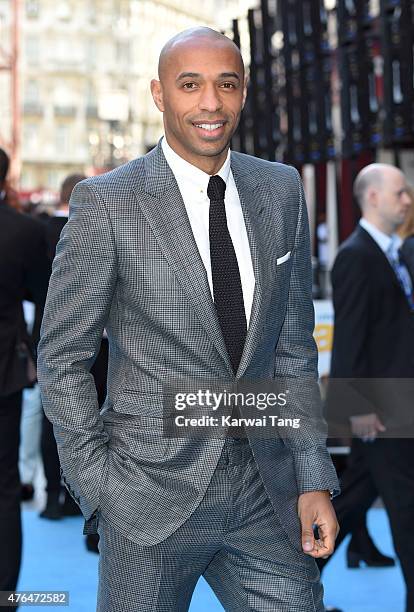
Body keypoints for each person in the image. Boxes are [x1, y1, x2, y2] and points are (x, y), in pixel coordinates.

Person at [37, 28, 339, 611]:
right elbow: (63, 356)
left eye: (226, 85)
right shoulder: (110, 201)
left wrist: (312, 475)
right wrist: (99, 485)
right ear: (159, 94)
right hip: (146, 496)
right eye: (190, 85)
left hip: (265, 492)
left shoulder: (279, 190)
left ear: (243, 93)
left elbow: (293, 347)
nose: (210, 103)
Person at [326, 163, 414, 612]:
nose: (407, 199)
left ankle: (286, 588)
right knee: (407, 517)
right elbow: (350, 338)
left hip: (399, 409)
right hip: (380, 415)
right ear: (373, 197)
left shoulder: (396, 254)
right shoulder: (357, 256)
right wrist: (356, 406)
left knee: (349, 505)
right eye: (400, 192)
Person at [0, 147, 50, 604]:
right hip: (5, 375)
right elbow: (48, 298)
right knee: (4, 489)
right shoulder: (24, 232)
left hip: (8, 371)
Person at [40, 174, 86, 519]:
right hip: (98, 343)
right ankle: (80, 498)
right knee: (95, 413)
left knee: (49, 419)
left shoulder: (36, 231)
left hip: (45, 335)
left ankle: (55, 494)